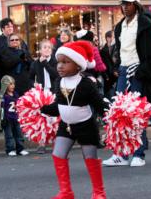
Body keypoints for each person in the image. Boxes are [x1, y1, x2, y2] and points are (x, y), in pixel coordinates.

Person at [102, 0, 151, 167]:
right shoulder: (119, 26)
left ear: (136, 5)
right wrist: (117, 67)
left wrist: (141, 71)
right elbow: (118, 50)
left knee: (136, 113)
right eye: (122, 4)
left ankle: (139, 153)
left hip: (138, 72)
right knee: (119, 113)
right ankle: (121, 155)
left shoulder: (144, 24)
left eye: (128, 3)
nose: (124, 7)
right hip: (123, 71)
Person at [41, 41, 107, 199]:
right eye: (59, 62)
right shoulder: (59, 82)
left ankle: (99, 193)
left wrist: (112, 115)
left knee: (90, 157)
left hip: (86, 126)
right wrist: (42, 108)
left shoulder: (86, 84)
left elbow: (99, 104)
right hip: (66, 125)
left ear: (78, 65)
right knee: (58, 154)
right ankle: (66, 192)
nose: (60, 66)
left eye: (65, 62)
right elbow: (58, 106)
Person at [30, 39, 59, 154]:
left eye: (49, 47)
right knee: (41, 118)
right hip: (42, 93)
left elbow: (55, 74)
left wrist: (45, 63)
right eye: (44, 47)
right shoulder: (35, 63)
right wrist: (34, 84)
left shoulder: (55, 61)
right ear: (40, 50)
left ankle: (56, 142)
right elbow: (30, 77)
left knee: (54, 118)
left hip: (53, 92)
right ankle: (41, 143)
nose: (47, 49)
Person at [0, 18, 31, 89]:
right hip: (6, 75)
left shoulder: (19, 39)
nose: (10, 28)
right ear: (2, 28)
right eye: (8, 27)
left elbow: (27, 55)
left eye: (11, 26)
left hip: (23, 76)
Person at [0, 75, 29, 156]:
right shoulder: (3, 97)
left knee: (19, 134)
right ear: (5, 85)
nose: (13, 86)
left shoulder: (15, 94)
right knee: (9, 135)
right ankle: (10, 149)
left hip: (16, 118)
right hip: (7, 119)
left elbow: (20, 104)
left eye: (13, 84)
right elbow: (0, 109)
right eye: (10, 84)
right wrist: (1, 119)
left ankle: (20, 149)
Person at [100, 30, 118, 100]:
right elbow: (106, 65)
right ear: (108, 38)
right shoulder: (103, 51)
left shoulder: (116, 48)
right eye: (113, 37)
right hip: (109, 79)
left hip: (116, 77)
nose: (115, 38)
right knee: (110, 98)